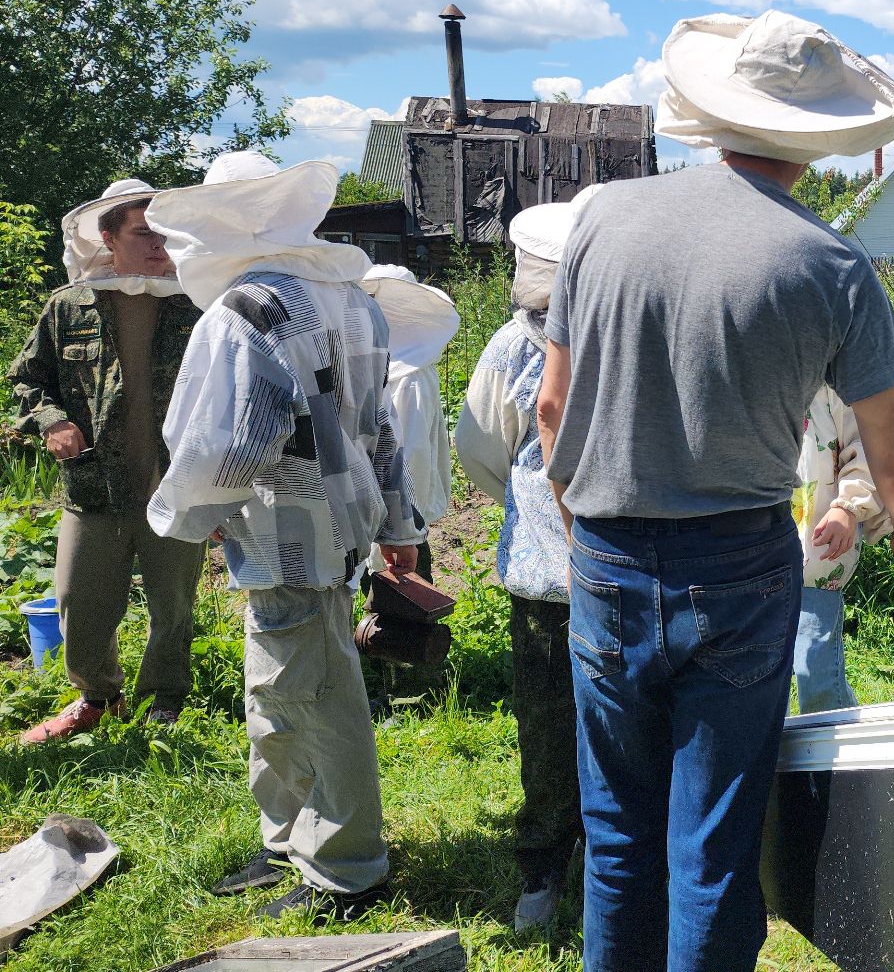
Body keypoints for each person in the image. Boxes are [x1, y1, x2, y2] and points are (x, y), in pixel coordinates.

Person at [533, 10, 894, 970]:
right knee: (713, 846)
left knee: (618, 834)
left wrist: (589, 534)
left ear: (714, 114)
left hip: (606, 554)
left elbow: (553, 410)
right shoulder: (831, 266)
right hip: (741, 567)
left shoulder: (599, 220)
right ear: (819, 139)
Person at [144, 151, 425, 922]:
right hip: (334, 522)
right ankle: (291, 842)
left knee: (313, 695)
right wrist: (397, 523)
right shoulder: (352, 299)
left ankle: (346, 869)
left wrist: (182, 516)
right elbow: (381, 429)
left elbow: (228, 446)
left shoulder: (251, 308)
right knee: (282, 686)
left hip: (283, 527)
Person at [454, 183, 603, 932]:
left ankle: (608, 860)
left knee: (618, 721)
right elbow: (483, 444)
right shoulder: (517, 342)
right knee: (548, 725)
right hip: (552, 572)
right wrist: (535, 504)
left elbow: (478, 449)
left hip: (616, 561)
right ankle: (544, 865)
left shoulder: (624, 327)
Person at [9, 179, 206, 742]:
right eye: (144, 233)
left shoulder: (196, 303)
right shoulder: (70, 305)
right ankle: (98, 698)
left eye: (166, 234)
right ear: (108, 236)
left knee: (174, 607)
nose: (158, 247)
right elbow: (28, 379)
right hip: (95, 484)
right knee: (78, 600)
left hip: (175, 486)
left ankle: (163, 702)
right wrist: (53, 423)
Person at [360, 263, 459, 581]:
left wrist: (400, 534)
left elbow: (411, 458)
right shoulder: (383, 362)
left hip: (399, 530)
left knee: (403, 615)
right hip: (376, 520)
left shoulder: (411, 373)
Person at [789, 385, 885, 713]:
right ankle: (774, 757)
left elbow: (867, 443)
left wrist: (847, 506)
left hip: (817, 556)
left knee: (814, 669)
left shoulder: (832, 383)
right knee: (754, 675)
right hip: (751, 556)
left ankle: (834, 754)